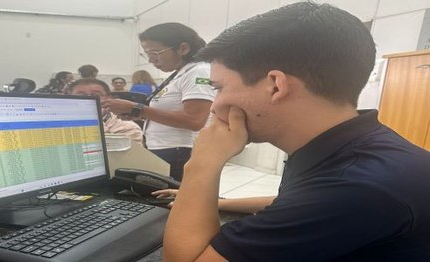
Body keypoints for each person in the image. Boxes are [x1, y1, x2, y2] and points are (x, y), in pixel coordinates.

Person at [161, 2, 430, 262]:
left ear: (276, 86)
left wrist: (202, 164)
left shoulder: (356, 188)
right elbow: (298, 201)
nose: (214, 107)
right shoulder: (355, 149)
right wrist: (218, 203)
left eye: (219, 88)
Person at [102, 23, 216, 182]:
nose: (150, 59)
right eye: (147, 54)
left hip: (180, 152)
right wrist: (136, 114)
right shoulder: (180, 73)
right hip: (167, 148)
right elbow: (171, 115)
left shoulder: (199, 71)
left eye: (155, 52)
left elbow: (194, 120)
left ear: (183, 48)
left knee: (173, 198)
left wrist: (137, 108)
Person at [67, 78, 143, 145]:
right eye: (81, 95)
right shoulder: (60, 124)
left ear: (108, 98)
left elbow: (128, 158)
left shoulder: (127, 127)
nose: (88, 99)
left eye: (96, 95)